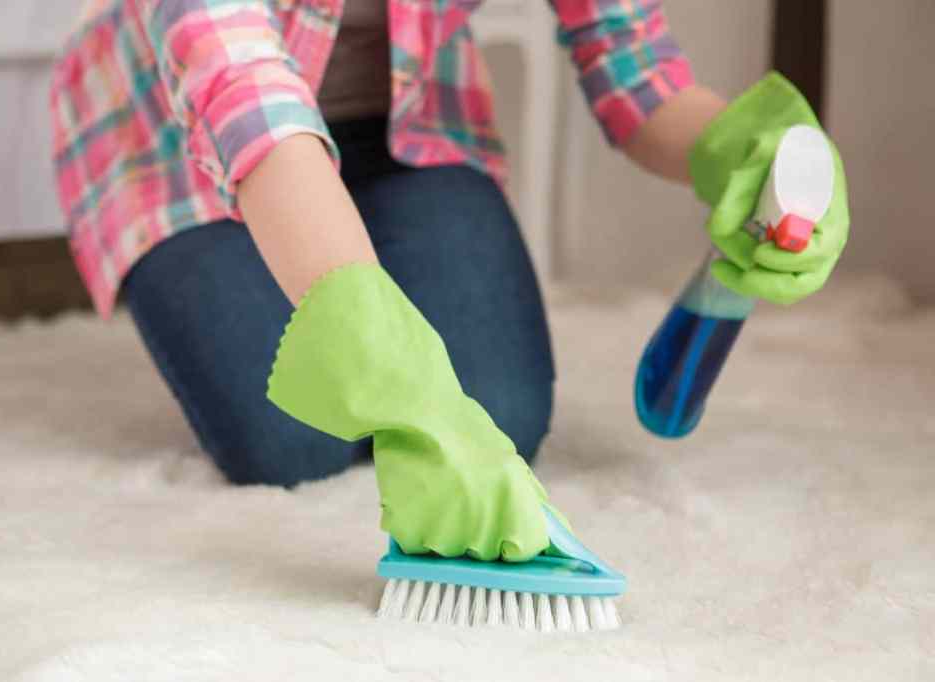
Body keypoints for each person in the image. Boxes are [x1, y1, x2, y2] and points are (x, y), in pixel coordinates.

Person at [51, 0, 849, 561]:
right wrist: (377, 344)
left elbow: (632, 66)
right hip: (183, 139)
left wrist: (744, 150)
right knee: (290, 441)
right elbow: (243, 94)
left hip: (407, 119)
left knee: (497, 412)